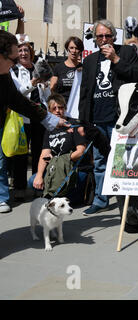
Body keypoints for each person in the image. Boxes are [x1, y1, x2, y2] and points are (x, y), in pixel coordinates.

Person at [78, 19, 138, 215]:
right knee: (100, 161)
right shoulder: (90, 60)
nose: (104, 39)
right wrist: (83, 122)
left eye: (108, 35)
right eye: (100, 36)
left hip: (120, 118)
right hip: (98, 119)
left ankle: (125, 202)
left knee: (123, 161)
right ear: (95, 39)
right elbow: (85, 92)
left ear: (114, 36)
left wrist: (116, 60)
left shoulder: (127, 53)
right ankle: (101, 199)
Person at [0, 30, 68, 213]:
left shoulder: (4, 76)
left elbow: (18, 101)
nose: (16, 63)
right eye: (13, 60)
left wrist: (51, 119)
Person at [9, 34, 51, 200]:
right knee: (21, 153)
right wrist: (32, 83)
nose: (23, 53)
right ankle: (19, 186)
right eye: (20, 50)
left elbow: (46, 96)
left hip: (40, 115)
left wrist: (45, 86)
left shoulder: (39, 67)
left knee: (40, 152)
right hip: (23, 117)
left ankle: (37, 183)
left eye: (26, 50)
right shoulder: (14, 71)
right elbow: (16, 94)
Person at [28, 94, 87, 202]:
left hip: (74, 170)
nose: (57, 111)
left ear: (65, 108)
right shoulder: (49, 129)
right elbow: (44, 155)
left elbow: (80, 151)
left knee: (67, 197)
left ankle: (61, 196)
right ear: (49, 111)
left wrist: (58, 161)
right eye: (54, 108)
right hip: (56, 170)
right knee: (32, 180)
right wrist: (39, 175)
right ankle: (57, 195)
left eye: (60, 107)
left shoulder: (74, 124)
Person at [49, 36, 83, 102]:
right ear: (67, 49)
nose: (74, 51)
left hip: (78, 106)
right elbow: (52, 89)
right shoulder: (58, 67)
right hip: (62, 106)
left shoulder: (83, 69)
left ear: (80, 51)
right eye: (71, 48)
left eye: (77, 48)